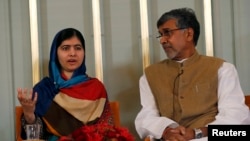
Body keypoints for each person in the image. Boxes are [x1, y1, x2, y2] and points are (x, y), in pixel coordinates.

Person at [135, 7, 250, 141]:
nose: (162, 40)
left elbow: (236, 116)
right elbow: (147, 116)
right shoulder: (150, 74)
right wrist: (167, 131)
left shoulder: (222, 69)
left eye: (167, 33)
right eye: (160, 34)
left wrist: (197, 133)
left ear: (189, 34)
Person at [17, 28, 114, 140]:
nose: (72, 53)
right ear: (55, 53)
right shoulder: (44, 89)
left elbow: (108, 131)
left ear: (84, 52)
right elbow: (34, 137)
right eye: (65, 48)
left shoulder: (96, 88)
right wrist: (29, 115)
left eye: (78, 48)